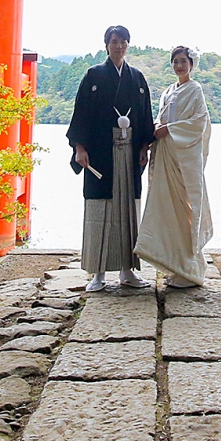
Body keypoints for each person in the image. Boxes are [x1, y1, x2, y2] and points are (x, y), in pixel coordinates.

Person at [66, 25, 155, 292]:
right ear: (106, 44)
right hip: (100, 151)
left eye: (123, 42)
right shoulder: (94, 75)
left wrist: (144, 147)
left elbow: (144, 115)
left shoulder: (137, 78)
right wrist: (80, 148)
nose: (119, 46)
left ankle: (128, 270)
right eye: (114, 41)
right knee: (99, 210)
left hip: (129, 151)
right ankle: (98, 272)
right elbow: (81, 112)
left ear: (128, 45)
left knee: (127, 209)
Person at [134, 46, 213, 288]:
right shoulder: (168, 91)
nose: (179, 66)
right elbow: (161, 119)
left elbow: (199, 121)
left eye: (183, 61)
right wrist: (155, 134)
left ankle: (189, 267)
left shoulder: (195, 89)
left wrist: (169, 129)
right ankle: (172, 263)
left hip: (183, 157)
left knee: (184, 210)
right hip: (166, 153)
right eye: (175, 62)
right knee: (165, 208)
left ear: (191, 64)